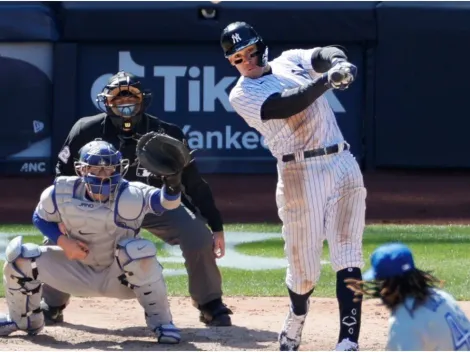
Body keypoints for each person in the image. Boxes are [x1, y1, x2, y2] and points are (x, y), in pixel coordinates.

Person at [221, 21, 366, 351]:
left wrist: (339, 63)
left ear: (261, 45)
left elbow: (324, 53)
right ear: (231, 62)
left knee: (349, 252)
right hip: (299, 173)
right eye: (238, 57)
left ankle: (348, 340)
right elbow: (286, 104)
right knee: (304, 272)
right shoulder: (242, 93)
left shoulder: (290, 60)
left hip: (341, 160)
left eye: (251, 51)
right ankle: (298, 314)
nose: (248, 60)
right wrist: (328, 81)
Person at [47, 71, 232, 327]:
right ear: (106, 102)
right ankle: (51, 303)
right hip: (100, 203)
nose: (124, 103)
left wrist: (216, 224)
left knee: (197, 234)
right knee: (58, 237)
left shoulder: (167, 133)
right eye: (117, 97)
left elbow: (193, 183)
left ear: (143, 100)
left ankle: (209, 302)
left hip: (153, 204)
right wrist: (62, 218)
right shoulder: (85, 129)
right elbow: (62, 174)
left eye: (130, 96)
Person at [0, 140, 181, 343]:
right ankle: (23, 321)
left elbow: (166, 203)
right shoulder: (61, 192)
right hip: (76, 272)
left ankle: (163, 323)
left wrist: (172, 183)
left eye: (109, 168)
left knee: (140, 252)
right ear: (82, 169)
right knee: (20, 258)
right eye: (96, 168)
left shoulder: (132, 194)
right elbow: (39, 217)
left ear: (119, 168)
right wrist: (63, 242)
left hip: (120, 278)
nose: (104, 174)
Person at [346, 242, 470, 351]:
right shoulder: (442, 296)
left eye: (380, 283)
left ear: (390, 284)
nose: (380, 291)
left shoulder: (404, 322)